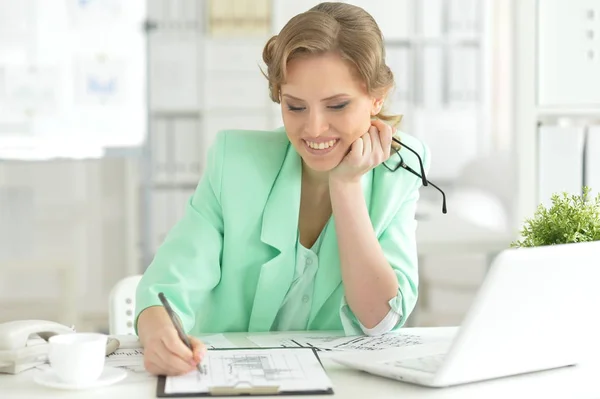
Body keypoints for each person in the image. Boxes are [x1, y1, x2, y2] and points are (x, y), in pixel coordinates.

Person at [134, 2, 432, 377]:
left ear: (377, 97)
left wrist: (346, 185)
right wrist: (160, 334)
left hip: (337, 383)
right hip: (227, 378)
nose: (314, 128)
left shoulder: (397, 170)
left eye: (336, 105)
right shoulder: (236, 162)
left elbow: (379, 322)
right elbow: (164, 288)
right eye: (295, 107)